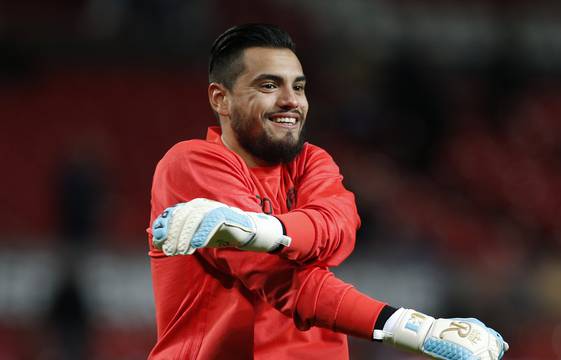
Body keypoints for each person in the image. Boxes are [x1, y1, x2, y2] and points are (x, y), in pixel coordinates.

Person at [147, 23, 508, 360]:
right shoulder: (191, 164)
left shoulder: (311, 162)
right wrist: (416, 328)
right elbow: (280, 279)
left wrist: (261, 231)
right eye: (269, 86)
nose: (291, 100)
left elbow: (337, 229)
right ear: (220, 99)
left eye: (299, 86)